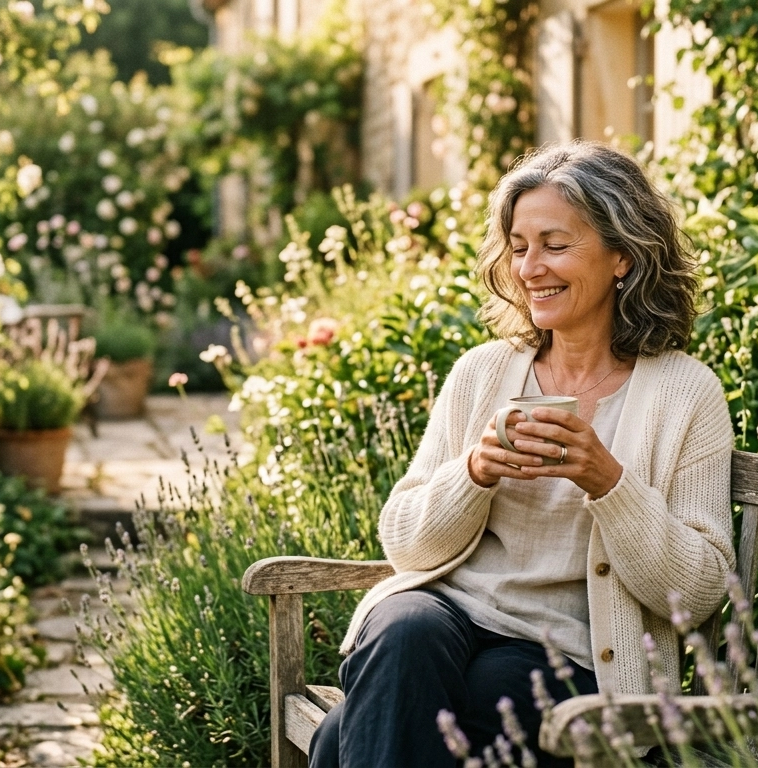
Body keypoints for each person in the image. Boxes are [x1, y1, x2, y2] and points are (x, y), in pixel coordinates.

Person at [308, 140, 735, 767]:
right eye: (518, 247)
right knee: (400, 631)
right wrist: (473, 472)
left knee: (350, 729)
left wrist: (608, 483)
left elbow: (696, 592)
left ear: (622, 255)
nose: (530, 267)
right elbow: (405, 543)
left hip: (569, 657)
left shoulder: (684, 392)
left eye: (555, 245)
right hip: (448, 615)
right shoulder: (483, 373)